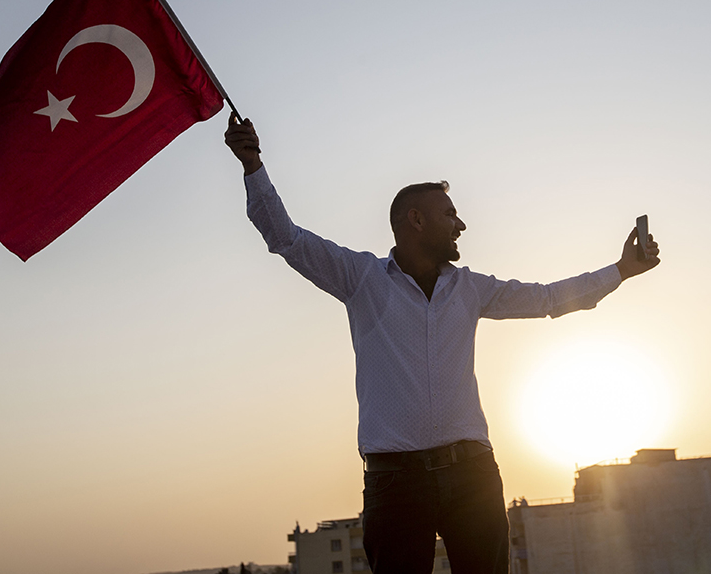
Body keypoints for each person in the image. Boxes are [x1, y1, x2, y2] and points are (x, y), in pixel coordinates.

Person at [224, 113, 660, 574]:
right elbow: (286, 238)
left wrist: (621, 271)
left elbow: (549, 298)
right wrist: (253, 165)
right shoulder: (362, 279)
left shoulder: (471, 289)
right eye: (449, 214)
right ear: (416, 220)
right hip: (396, 483)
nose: (461, 224)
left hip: (472, 475)